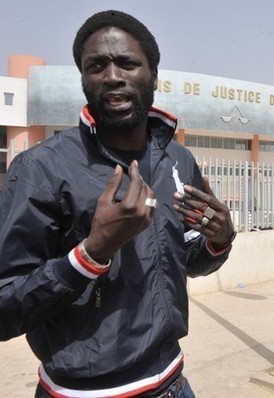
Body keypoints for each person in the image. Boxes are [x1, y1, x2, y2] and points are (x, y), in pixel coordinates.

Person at [0, 10, 236, 398]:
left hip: (173, 383)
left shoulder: (177, 162)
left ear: (153, 77)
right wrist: (92, 253)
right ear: (84, 80)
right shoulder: (40, 169)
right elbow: (5, 307)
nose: (112, 75)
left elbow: (188, 260)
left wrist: (219, 241)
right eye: (96, 66)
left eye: (127, 63)